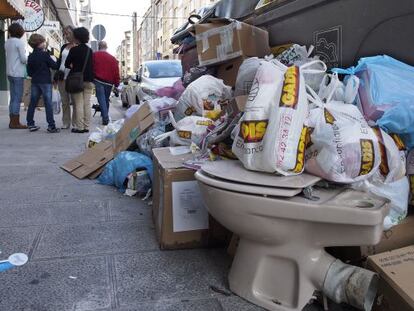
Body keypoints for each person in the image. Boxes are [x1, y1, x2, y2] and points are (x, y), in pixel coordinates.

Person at [26, 34, 60, 133]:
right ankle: (51, 126)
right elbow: (54, 66)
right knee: (48, 103)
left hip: (35, 81)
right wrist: (58, 60)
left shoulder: (31, 56)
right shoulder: (45, 55)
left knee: (32, 103)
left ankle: (30, 124)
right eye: (43, 42)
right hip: (45, 81)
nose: (44, 44)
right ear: (39, 43)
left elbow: (29, 72)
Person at [65, 27, 94, 133]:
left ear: (76, 37)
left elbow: (66, 64)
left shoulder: (74, 50)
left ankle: (80, 127)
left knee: (79, 103)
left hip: (77, 80)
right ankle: (86, 126)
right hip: (89, 80)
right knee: (87, 103)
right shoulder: (89, 51)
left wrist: (74, 65)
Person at [4, 23, 27, 129]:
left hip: (9, 72)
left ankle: (11, 121)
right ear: (20, 31)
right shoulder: (19, 43)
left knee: (13, 98)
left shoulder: (7, 42)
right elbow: (23, 59)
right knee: (17, 98)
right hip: (18, 73)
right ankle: (15, 122)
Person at [93, 41, 120, 125]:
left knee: (101, 99)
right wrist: (116, 84)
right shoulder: (112, 58)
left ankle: (105, 118)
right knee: (105, 99)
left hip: (98, 80)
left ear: (98, 47)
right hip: (109, 82)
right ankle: (105, 115)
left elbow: (91, 67)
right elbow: (116, 72)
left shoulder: (94, 55)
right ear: (106, 47)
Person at [55, 26, 77, 129]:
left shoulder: (78, 46)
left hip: (72, 78)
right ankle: (66, 122)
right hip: (62, 76)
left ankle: (75, 122)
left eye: (68, 33)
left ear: (74, 33)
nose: (66, 35)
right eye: (65, 33)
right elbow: (59, 61)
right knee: (64, 101)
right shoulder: (64, 46)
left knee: (75, 101)